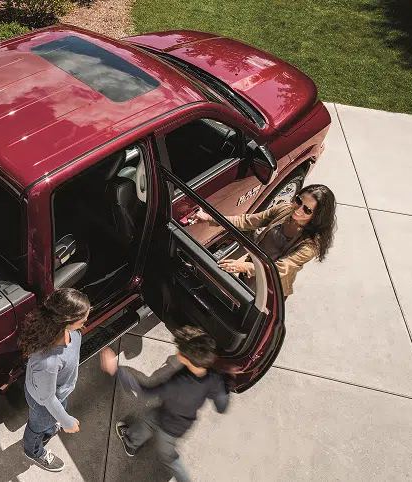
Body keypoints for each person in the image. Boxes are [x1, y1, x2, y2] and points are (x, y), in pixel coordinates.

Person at [100, 326, 229, 482]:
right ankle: (131, 441)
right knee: (148, 420)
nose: (177, 353)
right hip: (183, 421)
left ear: (187, 359)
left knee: (167, 455)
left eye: (180, 351)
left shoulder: (176, 385)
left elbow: (144, 392)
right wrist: (227, 382)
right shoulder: (215, 377)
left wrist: (116, 370)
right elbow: (221, 406)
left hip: (169, 427)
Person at [193, 184, 337, 298]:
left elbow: (281, 268)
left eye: (307, 210)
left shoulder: (311, 244)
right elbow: (247, 221)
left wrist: (244, 267)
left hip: (270, 285)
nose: (298, 209)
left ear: (317, 216)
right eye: (299, 201)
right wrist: (210, 218)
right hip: (251, 267)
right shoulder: (285, 210)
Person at [18, 288, 90, 472]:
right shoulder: (49, 361)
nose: (85, 322)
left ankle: (50, 427)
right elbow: (48, 399)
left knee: (51, 419)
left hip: (57, 393)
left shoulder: (72, 333)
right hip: (43, 403)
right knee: (37, 428)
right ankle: (33, 451)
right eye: (82, 319)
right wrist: (67, 422)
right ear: (67, 321)